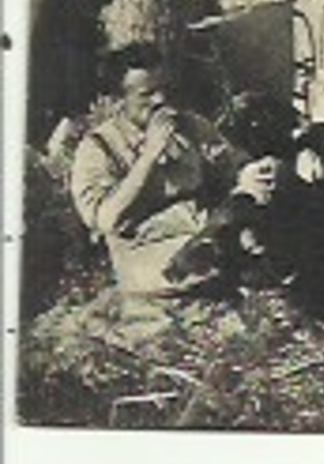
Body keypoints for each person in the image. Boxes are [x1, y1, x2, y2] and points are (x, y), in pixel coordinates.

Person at [69, 43, 279, 297]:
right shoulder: (97, 148)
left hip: (206, 229)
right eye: (146, 94)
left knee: (263, 219)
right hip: (148, 252)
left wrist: (251, 171)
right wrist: (149, 156)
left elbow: (233, 163)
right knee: (228, 259)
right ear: (119, 100)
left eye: (165, 90)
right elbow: (106, 220)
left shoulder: (190, 125)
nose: (161, 100)